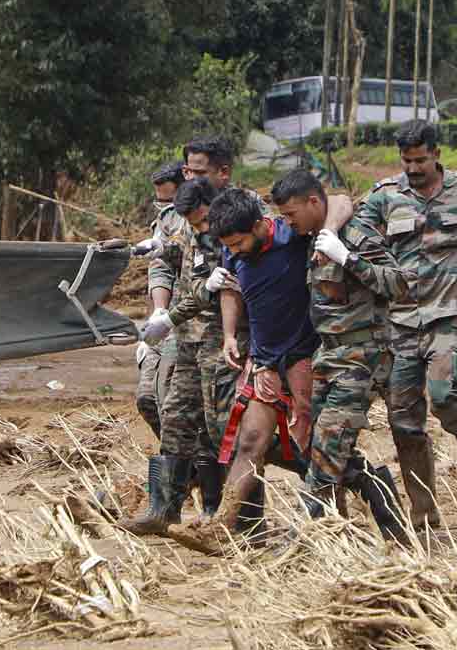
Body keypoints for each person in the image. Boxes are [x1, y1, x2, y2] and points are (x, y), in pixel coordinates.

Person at [353, 119, 457, 529]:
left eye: (420, 160)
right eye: (406, 161)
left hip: (451, 315)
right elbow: (357, 240)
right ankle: (423, 507)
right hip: (400, 322)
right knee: (403, 419)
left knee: (446, 395)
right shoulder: (384, 198)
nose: (413, 168)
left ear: (437, 154)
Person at [167, 186, 319, 551]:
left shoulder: (294, 235)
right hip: (264, 362)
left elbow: (340, 203)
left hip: (304, 360)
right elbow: (231, 287)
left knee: (319, 451)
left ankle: (339, 519)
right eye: (227, 246)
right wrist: (230, 334)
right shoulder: (231, 245)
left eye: (237, 243)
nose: (232, 251)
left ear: (259, 226)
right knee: (249, 442)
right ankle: (221, 527)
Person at [271, 169, 409, 543]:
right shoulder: (312, 237)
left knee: (330, 445)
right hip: (327, 359)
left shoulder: (355, 236)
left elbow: (399, 284)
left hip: (360, 359)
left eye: (291, 214)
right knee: (321, 446)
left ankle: (303, 534)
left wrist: (348, 258)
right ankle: (396, 531)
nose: (287, 222)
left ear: (314, 203)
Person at [119, 139, 244, 535]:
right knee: (174, 416)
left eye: (198, 172)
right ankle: (164, 509)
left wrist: (167, 318)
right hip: (189, 339)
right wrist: (157, 249)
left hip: (220, 339)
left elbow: (210, 289)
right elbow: (178, 258)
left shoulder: (234, 219)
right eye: (187, 171)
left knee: (219, 428)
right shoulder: (190, 219)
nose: (189, 177)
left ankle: (225, 515)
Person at [132, 161, 186, 440]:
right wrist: (158, 311)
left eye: (170, 200)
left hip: (191, 320)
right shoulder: (165, 220)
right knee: (147, 398)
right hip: (167, 317)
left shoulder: (210, 217)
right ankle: (182, 470)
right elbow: (160, 269)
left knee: (172, 404)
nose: (165, 208)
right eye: (160, 201)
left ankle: (186, 472)